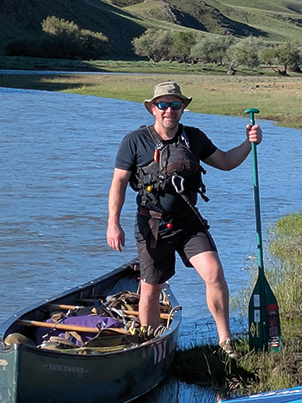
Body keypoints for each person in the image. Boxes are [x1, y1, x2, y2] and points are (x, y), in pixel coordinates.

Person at [107, 81, 262, 359]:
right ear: (153, 109)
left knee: (214, 273)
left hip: (189, 223)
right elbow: (118, 182)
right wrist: (113, 224)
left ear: (182, 109)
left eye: (175, 105)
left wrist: (248, 144)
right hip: (152, 225)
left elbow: (226, 162)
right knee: (151, 288)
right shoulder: (134, 142)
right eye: (163, 105)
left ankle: (225, 341)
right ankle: (150, 349)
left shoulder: (194, 138)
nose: (169, 110)